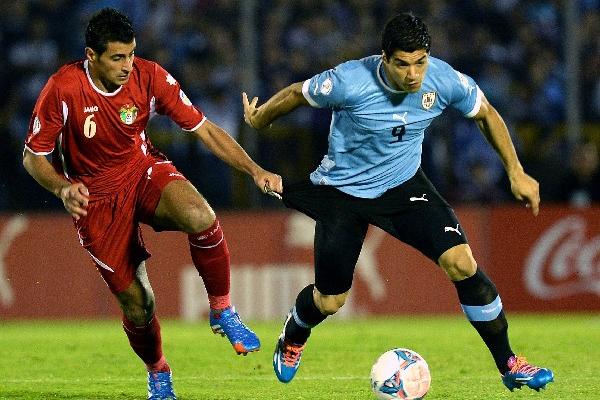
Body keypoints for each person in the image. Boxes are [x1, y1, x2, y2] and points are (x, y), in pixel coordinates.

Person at [243, 12, 553, 393]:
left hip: (402, 185)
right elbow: (296, 93)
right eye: (403, 64)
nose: (413, 74)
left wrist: (515, 171)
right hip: (341, 194)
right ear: (384, 58)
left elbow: (486, 113)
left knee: (461, 261)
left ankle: (509, 363)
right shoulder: (349, 80)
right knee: (330, 300)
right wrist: (260, 120)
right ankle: (296, 331)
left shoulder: (443, 80)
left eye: (420, 62)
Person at [22, 8, 282, 400]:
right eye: (117, 57)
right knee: (139, 304)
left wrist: (254, 170)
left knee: (200, 213)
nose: (128, 65)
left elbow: (205, 129)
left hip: (141, 171)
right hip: (95, 200)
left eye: (131, 54)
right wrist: (62, 189)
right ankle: (158, 370)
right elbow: (32, 156)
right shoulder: (64, 87)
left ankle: (222, 310)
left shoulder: (149, 75)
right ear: (91, 56)